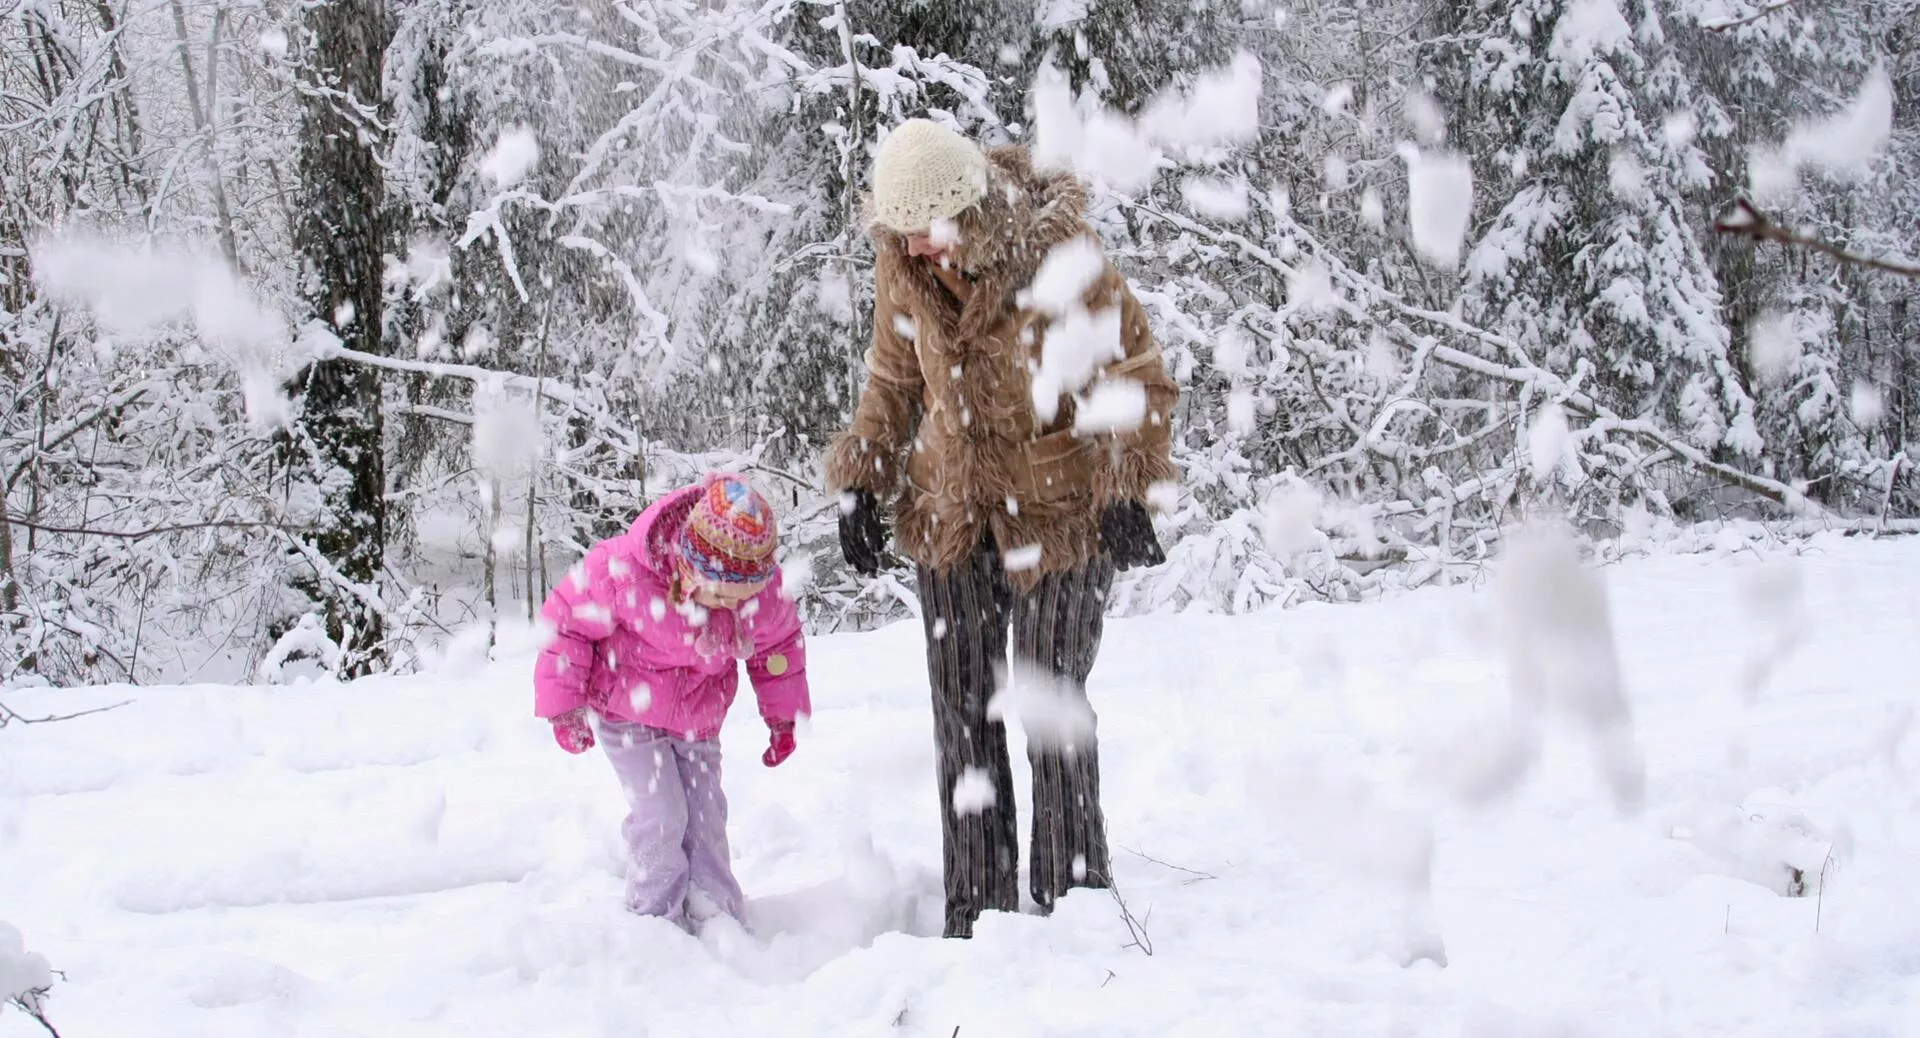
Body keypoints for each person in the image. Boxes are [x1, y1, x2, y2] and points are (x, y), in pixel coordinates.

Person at [825, 118, 1179, 938]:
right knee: (963, 710)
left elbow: (1135, 371)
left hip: (1063, 511)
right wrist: (863, 480)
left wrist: (1131, 484)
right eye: (898, 232)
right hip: (952, 510)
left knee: (1050, 698)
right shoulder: (904, 264)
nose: (911, 248)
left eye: (923, 230)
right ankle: (978, 912)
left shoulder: (1057, 253)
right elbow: (892, 382)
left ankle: (1074, 902)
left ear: (965, 209)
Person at [532, 472, 809, 932]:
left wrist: (783, 719)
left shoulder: (756, 591)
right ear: (689, 562)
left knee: (705, 818)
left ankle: (716, 912)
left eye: (739, 597)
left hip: (699, 717)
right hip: (628, 713)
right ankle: (655, 919)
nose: (728, 606)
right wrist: (564, 706)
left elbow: (779, 649)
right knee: (662, 815)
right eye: (719, 593)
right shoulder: (624, 570)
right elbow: (565, 624)